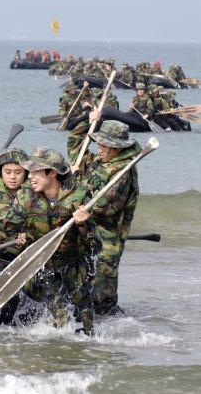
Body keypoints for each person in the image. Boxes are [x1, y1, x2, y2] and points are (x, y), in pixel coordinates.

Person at [0, 148, 95, 334]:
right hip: (41, 266)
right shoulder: (26, 195)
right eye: (30, 172)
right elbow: (8, 226)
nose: (30, 177)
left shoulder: (80, 196)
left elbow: (93, 244)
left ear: (52, 173)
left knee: (86, 326)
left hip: (73, 265)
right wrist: (18, 235)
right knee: (59, 320)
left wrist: (83, 225)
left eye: (36, 172)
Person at [68, 115, 140, 316]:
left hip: (106, 240)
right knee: (83, 285)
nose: (99, 148)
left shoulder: (122, 172)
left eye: (104, 145)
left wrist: (75, 187)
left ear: (117, 148)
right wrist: (87, 120)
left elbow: (102, 207)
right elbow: (75, 148)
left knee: (102, 296)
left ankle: (113, 336)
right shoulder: (101, 161)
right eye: (98, 143)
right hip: (87, 233)